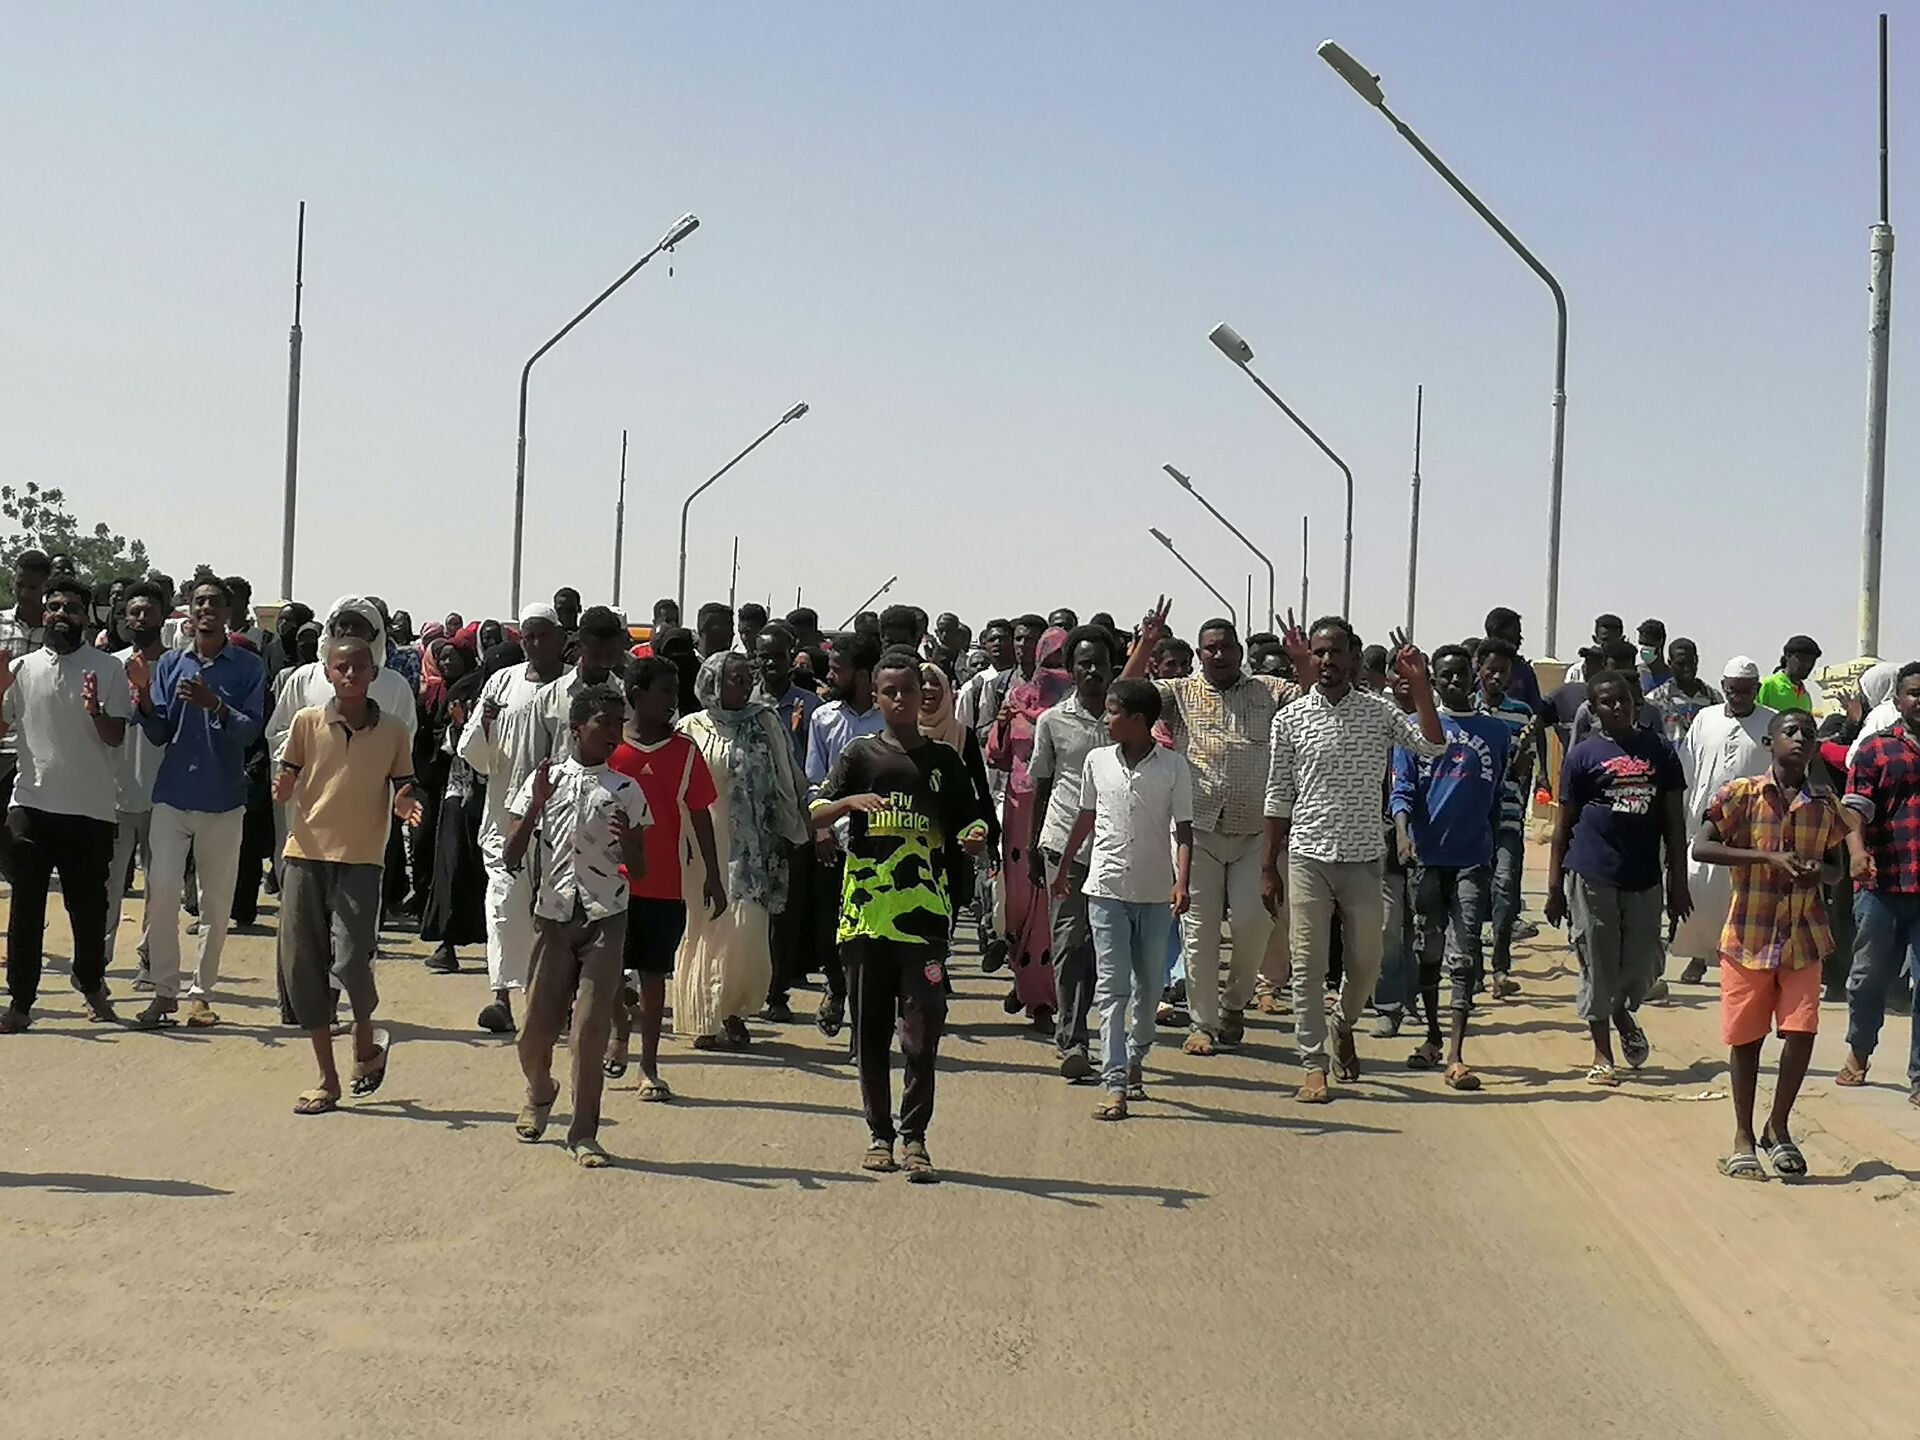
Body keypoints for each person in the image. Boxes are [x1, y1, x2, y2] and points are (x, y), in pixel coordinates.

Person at [811, 648, 988, 1181]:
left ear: (922, 696)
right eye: (888, 691)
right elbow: (813, 811)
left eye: (908, 691)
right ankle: (879, 1134)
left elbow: (970, 821)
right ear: (876, 696)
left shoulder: (943, 761)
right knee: (869, 1034)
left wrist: (974, 838)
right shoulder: (860, 754)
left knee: (921, 1030)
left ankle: (915, 1138)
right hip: (865, 915)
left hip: (926, 919)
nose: (899, 699)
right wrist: (849, 804)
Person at [1263, 619, 1444, 1101]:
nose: (1327, 661)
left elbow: (1431, 745)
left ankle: (1344, 1023)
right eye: (1319, 652)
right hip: (1307, 857)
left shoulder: (1380, 712)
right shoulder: (1291, 719)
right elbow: (1278, 796)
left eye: (1336, 652)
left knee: (1366, 963)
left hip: (1365, 856)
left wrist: (1421, 687)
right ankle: (1313, 1064)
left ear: (1354, 659)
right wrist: (1267, 866)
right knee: (1307, 963)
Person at [1122, 605, 1301, 1056]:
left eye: (1226, 648)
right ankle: (1202, 1024)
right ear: (1199, 654)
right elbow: (1122, 694)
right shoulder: (1178, 692)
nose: (1219, 655)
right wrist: (1146, 644)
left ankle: (1235, 1004)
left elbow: (1320, 700)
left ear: (1240, 651)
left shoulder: (1269, 690)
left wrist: (1300, 657)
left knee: (1253, 922)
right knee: (1198, 933)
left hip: (1254, 834)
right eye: (1210, 649)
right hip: (1196, 830)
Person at [1693, 709, 1863, 1179]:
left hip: (1804, 937)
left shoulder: (1824, 806)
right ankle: (1743, 1136)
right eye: (1791, 731)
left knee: (1801, 1035)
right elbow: (1702, 847)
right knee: (1747, 1040)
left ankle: (1778, 1125)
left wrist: (1819, 872)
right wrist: (1764, 856)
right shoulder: (1741, 795)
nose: (1802, 739)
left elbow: (1836, 868)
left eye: (1809, 734)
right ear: (1770, 743)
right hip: (1749, 935)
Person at [272, 635, 421, 1111]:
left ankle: (363, 1041)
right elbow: (288, 776)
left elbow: (403, 785)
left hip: (361, 860)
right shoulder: (306, 722)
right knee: (303, 966)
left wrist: (405, 805)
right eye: (341, 668)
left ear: (373, 672)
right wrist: (282, 784)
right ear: (329, 672)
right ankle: (327, 1078)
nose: (350, 675)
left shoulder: (394, 730)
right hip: (305, 855)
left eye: (359, 667)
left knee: (353, 961)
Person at [503, 688, 651, 1167]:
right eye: (603, 723)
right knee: (534, 1031)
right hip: (553, 917)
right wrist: (534, 806)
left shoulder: (626, 790)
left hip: (605, 917)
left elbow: (641, 869)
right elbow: (510, 854)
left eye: (618, 724)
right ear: (576, 728)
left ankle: (584, 1132)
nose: (613, 733)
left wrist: (630, 842)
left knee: (588, 1030)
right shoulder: (545, 780)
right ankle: (540, 1091)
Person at [126, 578, 267, 1029]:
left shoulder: (247, 667)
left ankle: (201, 995)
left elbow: (251, 733)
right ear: (189, 611)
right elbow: (160, 730)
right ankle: (164, 991)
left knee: (214, 904)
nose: (206, 608)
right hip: (172, 796)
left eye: (214, 603)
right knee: (163, 892)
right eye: (199, 601)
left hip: (223, 799)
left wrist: (215, 706)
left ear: (228, 613)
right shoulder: (170, 662)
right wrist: (144, 695)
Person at [1051, 678, 1192, 1120]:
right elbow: (1087, 815)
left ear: (1138, 721)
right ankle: (1114, 1081)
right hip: (1105, 888)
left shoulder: (1173, 767)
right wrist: (1064, 865)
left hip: (1154, 893)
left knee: (1148, 987)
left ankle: (1136, 1056)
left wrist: (1181, 882)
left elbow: (1184, 830)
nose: (1106, 719)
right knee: (1111, 989)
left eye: (1113, 713)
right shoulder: (1097, 761)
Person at [1544, 671, 1691, 1087]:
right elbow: (1563, 826)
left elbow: (1674, 825)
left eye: (1624, 699)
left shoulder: (1660, 751)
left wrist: (1678, 883)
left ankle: (1623, 1010)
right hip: (1592, 873)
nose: (1617, 707)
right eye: (1607, 702)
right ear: (1594, 708)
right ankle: (1602, 1053)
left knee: (1644, 963)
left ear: (1636, 702)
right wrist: (1555, 888)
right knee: (1597, 962)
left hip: (1644, 875)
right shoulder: (1582, 756)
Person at [0, 575, 131, 1031]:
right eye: (54, 606)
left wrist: (96, 710)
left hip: (90, 810)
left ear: (85, 615)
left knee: (88, 910)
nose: (60, 614)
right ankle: (20, 1004)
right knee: (27, 907)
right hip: (31, 805)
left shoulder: (109, 669)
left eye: (71, 607)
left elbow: (116, 737)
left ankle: (92, 985)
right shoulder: (21, 669)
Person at [672, 653, 809, 1050]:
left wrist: (797, 823)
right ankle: (704, 1016)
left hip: (753, 846)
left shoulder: (765, 721)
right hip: (703, 844)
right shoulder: (690, 728)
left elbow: (787, 775)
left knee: (747, 929)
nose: (743, 685)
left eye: (746, 677)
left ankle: (734, 1009)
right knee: (705, 926)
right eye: (733, 678)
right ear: (712, 682)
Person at [607, 657, 727, 1097]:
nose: (673, 698)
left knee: (654, 975)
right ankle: (619, 1031)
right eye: (664, 689)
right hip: (610, 881)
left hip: (663, 883)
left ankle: (648, 1066)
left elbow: (700, 815)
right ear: (638, 695)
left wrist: (713, 876)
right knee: (606, 976)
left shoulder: (683, 752)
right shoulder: (609, 748)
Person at [1391, 645, 1509, 1089]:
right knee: (1429, 951)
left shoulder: (1495, 732)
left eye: (1463, 675)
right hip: (1426, 858)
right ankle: (1433, 1035)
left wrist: (1492, 844)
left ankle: (1457, 1054)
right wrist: (1403, 834)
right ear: (1434, 682)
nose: (1455, 683)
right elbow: (1401, 790)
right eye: (1446, 676)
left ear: (1474, 677)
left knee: (1463, 956)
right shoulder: (1412, 729)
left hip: (1471, 860)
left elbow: (1495, 793)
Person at [456, 604, 569, 1032]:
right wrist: (484, 725)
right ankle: (501, 998)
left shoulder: (576, 688)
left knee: (553, 912)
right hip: (506, 817)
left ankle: (553, 1001)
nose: (536, 644)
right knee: (503, 905)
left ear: (561, 639)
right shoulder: (502, 682)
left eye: (544, 635)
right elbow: (475, 754)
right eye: (529, 636)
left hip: (561, 821)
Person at [1028, 625, 1115, 1078]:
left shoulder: (1126, 720)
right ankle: (1072, 1040)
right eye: (1084, 663)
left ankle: (1107, 1037)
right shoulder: (1053, 721)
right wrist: (1031, 845)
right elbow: (1041, 784)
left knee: (1103, 945)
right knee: (1068, 940)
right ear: (1071, 670)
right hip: (1063, 843)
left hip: (1117, 844)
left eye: (1100, 662)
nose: (1093, 671)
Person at [1837, 661, 1920, 1101]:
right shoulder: (1876, 750)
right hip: (1882, 884)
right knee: (1868, 978)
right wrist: (1855, 851)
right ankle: (1859, 1050)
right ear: (1898, 699)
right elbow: (1853, 809)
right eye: (1914, 693)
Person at [986, 622, 1073, 1028]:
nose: (1057, 669)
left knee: (1052, 908)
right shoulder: (1018, 697)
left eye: (1063, 661)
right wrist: (1003, 724)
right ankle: (1023, 983)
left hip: (1063, 810)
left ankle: (1045, 1000)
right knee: (1021, 906)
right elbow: (998, 757)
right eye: (1051, 660)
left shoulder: (1078, 706)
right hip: (1020, 813)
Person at [1669, 657, 1777, 984]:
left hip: (1752, 824)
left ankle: (1735, 963)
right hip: (1705, 821)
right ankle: (1700, 957)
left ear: (1756, 689)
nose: (1738, 696)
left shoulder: (1771, 723)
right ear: (1724, 687)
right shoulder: (1706, 718)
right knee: (1700, 889)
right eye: (1732, 690)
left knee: (1742, 898)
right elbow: (1688, 765)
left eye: (1745, 691)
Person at [804, 634, 887, 1033]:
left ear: (863, 674)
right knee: (829, 924)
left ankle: (868, 1011)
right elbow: (814, 781)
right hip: (833, 839)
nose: (831, 674)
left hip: (881, 841)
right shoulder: (824, 719)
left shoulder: (888, 721)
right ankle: (835, 989)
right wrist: (820, 829)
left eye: (839, 668)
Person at [756, 622, 822, 1022]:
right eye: (762, 656)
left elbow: (811, 768)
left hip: (795, 818)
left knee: (787, 909)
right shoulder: (746, 703)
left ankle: (778, 991)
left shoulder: (811, 706)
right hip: (752, 819)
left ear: (790, 656)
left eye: (776, 655)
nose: (769, 663)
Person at [1474, 638, 1546, 992]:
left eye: (1503, 672)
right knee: (1470, 893)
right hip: (1468, 820)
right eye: (1491, 669)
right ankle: (1471, 968)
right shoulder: (1463, 709)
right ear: (1479, 668)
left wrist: (1521, 755)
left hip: (1507, 816)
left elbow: (1522, 769)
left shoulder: (1520, 713)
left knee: (1504, 889)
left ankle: (1500, 968)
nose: (1496, 677)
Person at [107, 581, 169, 983]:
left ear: (163, 617)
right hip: (111, 792)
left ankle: (150, 964)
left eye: (148, 612)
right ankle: (97, 962)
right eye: (134, 613)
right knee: (106, 887)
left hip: (164, 795)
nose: (140, 619)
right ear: (123, 619)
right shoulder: (108, 665)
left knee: (159, 889)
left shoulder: (176, 665)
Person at [421, 668, 491, 973]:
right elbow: (445, 748)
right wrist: (459, 726)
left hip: (498, 801)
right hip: (458, 798)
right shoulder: (464, 692)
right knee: (452, 867)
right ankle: (447, 944)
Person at [0, 548, 52, 820]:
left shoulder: (56, 630)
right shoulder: (1, 623)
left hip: (37, 747)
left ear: (45, 586)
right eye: (20, 585)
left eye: (33, 587)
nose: (25, 593)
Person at [1645, 637, 1722, 744]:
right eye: (1680, 664)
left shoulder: (1714, 698)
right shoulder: (1655, 700)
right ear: (1670, 663)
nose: (1687, 668)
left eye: (1691, 662)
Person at [1481, 607, 1545, 715]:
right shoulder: (1469, 670)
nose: (1520, 639)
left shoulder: (1524, 672)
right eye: (1516, 633)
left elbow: (1536, 713)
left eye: (1503, 671)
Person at [1758, 636, 1824, 715]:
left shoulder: (1806, 697)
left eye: (1812, 661)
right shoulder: (1765, 686)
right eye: (1803, 659)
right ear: (1788, 655)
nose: (1808, 665)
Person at [1562, 614, 1625, 685]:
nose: (1609, 646)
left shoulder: (1629, 671)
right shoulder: (1577, 671)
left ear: (1622, 640)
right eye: (1605, 640)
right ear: (1595, 639)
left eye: (1614, 641)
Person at [1635, 618, 1671, 690]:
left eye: (1647, 644)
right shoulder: (1636, 674)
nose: (1643, 648)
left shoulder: (1672, 677)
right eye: (1641, 643)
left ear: (1660, 643)